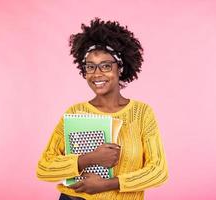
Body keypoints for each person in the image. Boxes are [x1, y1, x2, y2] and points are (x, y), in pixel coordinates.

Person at [36, 18, 168, 200]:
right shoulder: (75, 113)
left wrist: (107, 184)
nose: (97, 74)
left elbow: (158, 171)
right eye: (90, 67)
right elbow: (44, 167)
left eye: (105, 66)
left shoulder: (142, 113)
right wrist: (89, 159)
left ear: (120, 68)